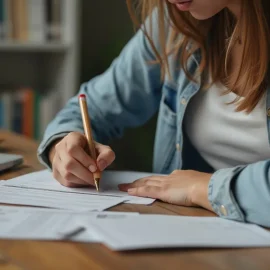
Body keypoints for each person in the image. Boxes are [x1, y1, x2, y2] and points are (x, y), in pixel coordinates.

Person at [38, 0, 270, 227]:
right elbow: (94, 107)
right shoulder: (176, 21)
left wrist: (202, 188)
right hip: (199, 238)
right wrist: (62, 146)